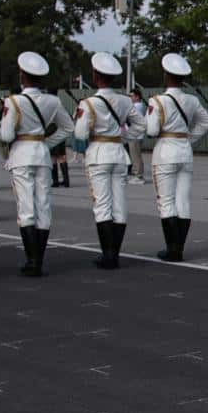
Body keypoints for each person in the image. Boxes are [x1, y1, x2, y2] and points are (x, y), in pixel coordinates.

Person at [0, 51, 70, 277]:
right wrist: (47, 142)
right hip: (42, 153)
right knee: (43, 206)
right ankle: (38, 258)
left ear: (22, 76)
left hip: (21, 154)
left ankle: (32, 260)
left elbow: (7, 135)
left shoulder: (14, 101)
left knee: (27, 209)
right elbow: (67, 128)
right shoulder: (53, 100)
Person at [74, 50, 140, 269]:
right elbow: (142, 125)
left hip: (99, 154)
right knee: (119, 204)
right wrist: (122, 136)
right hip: (119, 154)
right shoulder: (124, 101)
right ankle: (115, 253)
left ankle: (108, 255)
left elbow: (81, 134)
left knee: (102, 205)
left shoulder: (88, 103)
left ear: (95, 75)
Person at [147, 53, 207, 261]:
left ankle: (172, 248)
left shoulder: (158, 101)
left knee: (166, 201)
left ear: (166, 76)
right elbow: (205, 122)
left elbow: (153, 130)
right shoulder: (191, 99)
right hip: (184, 150)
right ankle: (179, 246)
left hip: (165, 151)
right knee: (183, 200)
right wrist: (189, 138)